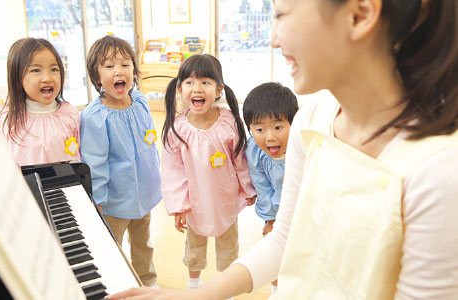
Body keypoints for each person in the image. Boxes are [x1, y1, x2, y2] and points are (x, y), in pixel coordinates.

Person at [109, 0, 458, 299]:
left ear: (359, 14)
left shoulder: (439, 170)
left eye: (282, 14)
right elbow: (285, 239)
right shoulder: (313, 119)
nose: (274, 38)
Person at [160, 54, 256, 292]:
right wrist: (179, 205)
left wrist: (248, 188)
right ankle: (194, 286)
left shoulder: (229, 121)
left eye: (205, 82)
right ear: (180, 88)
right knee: (194, 249)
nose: (197, 88)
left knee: (228, 249)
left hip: (226, 200)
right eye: (190, 82)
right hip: (195, 203)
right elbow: (173, 171)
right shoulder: (177, 128)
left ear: (219, 89)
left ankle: (227, 290)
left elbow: (240, 159)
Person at [79, 35, 161, 288]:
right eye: (109, 65)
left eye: (125, 64)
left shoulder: (140, 101)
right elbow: (95, 163)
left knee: (143, 243)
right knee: (112, 247)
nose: (119, 71)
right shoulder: (95, 117)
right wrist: (99, 200)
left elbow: (150, 144)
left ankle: (148, 283)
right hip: (114, 199)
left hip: (144, 193)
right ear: (96, 75)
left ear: (134, 71)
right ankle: (118, 285)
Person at [242, 82, 298, 297]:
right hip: (275, 213)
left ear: (294, 123)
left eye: (278, 127)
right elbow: (262, 187)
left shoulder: (301, 146)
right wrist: (271, 220)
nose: (270, 137)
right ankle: (276, 291)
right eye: (259, 129)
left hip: (304, 211)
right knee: (273, 251)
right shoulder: (255, 150)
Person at [0, 38, 80, 166]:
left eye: (54, 69)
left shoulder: (69, 114)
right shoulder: (8, 120)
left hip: (66, 184)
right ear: (17, 78)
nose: (47, 78)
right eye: (36, 70)